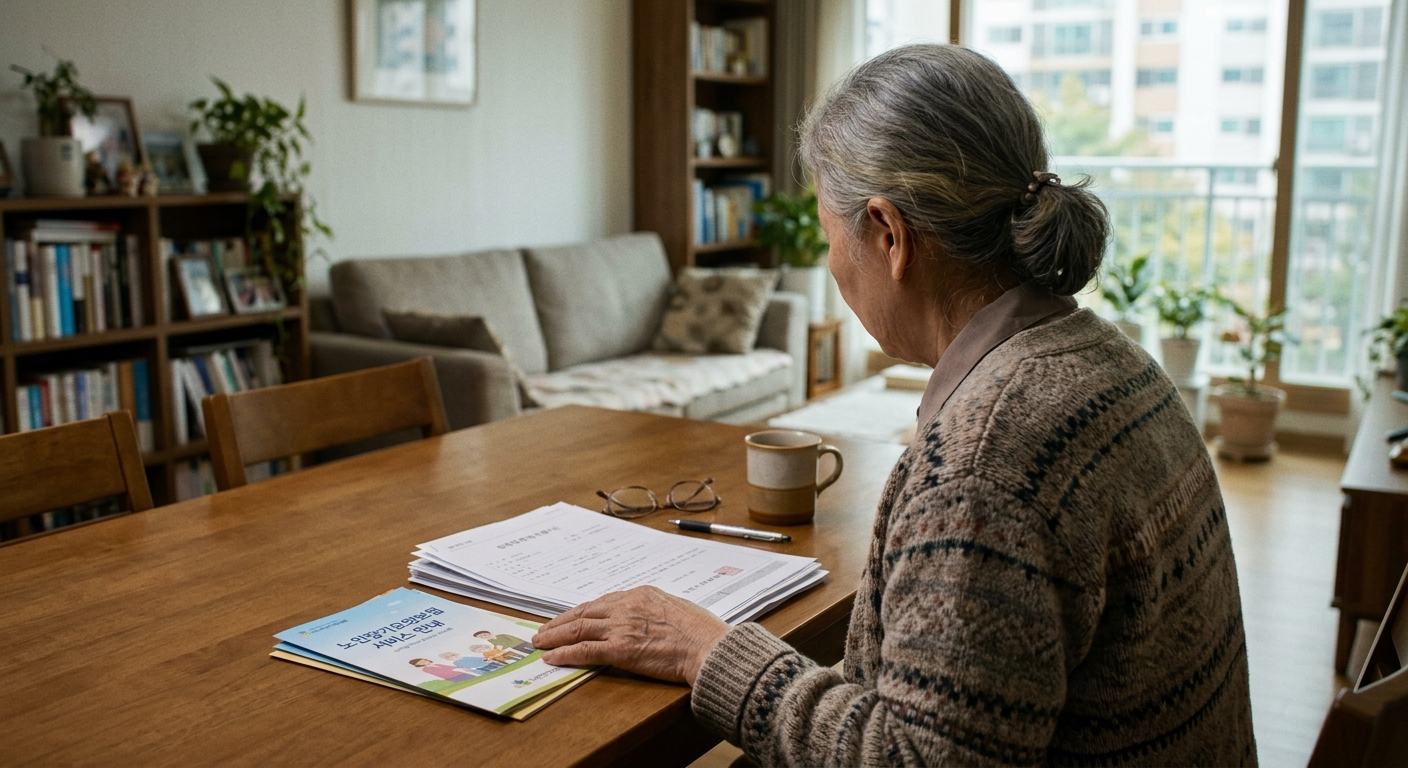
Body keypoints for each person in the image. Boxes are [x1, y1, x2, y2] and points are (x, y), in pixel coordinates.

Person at [532, 43, 1257, 766]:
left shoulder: (988, 461)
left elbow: (917, 759)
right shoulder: (1110, 359)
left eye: (828, 235)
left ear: (888, 233)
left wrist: (707, 649)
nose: (830, 264)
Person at [407, 657, 473, 683]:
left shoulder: (438, 664)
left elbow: (449, 667)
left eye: (423, 660)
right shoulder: (426, 669)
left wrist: (460, 668)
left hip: (459, 673)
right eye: (421, 662)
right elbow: (438, 673)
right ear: (418, 665)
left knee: (472, 679)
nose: (424, 662)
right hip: (452, 676)